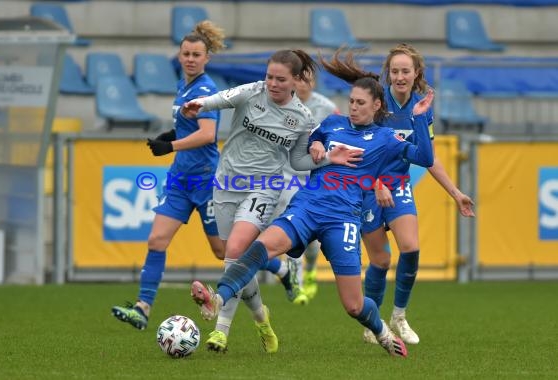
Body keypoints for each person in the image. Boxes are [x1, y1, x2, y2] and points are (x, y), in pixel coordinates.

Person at [190, 48, 436, 358]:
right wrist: (318, 144)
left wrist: (420, 117)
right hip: (307, 207)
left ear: (376, 105)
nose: (354, 108)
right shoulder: (332, 125)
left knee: (354, 305)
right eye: (351, 102)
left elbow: (425, 158)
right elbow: (310, 142)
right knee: (259, 247)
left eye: (361, 103)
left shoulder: (387, 139)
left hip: (343, 219)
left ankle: (381, 332)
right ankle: (218, 299)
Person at [180, 49, 359, 353]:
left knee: (236, 249)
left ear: (296, 81)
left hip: (265, 187)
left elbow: (300, 162)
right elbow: (221, 98)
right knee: (234, 258)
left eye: (280, 79)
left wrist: (329, 158)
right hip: (227, 183)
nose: (272, 83)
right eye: (269, 76)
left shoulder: (302, 118)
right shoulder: (252, 92)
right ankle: (262, 318)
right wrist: (198, 104)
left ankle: (220, 330)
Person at [111, 21, 227, 330]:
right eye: (186, 53)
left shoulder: (205, 90)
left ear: (207, 58)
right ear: (179, 55)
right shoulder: (183, 85)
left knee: (223, 252)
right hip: (180, 180)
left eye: (196, 54)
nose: (190, 58)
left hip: (204, 179)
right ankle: (143, 307)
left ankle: (278, 265)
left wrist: (171, 145)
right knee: (156, 239)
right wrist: (172, 133)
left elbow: (208, 134)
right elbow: (190, 126)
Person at [360, 43, 475, 345]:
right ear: (388, 74)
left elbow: (428, 156)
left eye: (405, 71)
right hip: (369, 187)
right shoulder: (377, 103)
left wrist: (455, 192)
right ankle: (372, 322)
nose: (399, 76)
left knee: (410, 248)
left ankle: (399, 316)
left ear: (416, 74)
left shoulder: (422, 107)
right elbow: (363, 151)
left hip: (398, 185)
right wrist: (375, 185)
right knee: (381, 261)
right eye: (395, 71)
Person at [264, 72, 340, 305]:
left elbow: (338, 138)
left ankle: (311, 267)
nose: (301, 84)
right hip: (286, 175)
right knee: (291, 228)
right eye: (298, 79)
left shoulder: (327, 107)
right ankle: (295, 283)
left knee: (312, 242)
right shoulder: (281, 104)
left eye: (307, 80)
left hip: (314, 178)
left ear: (313, 83)